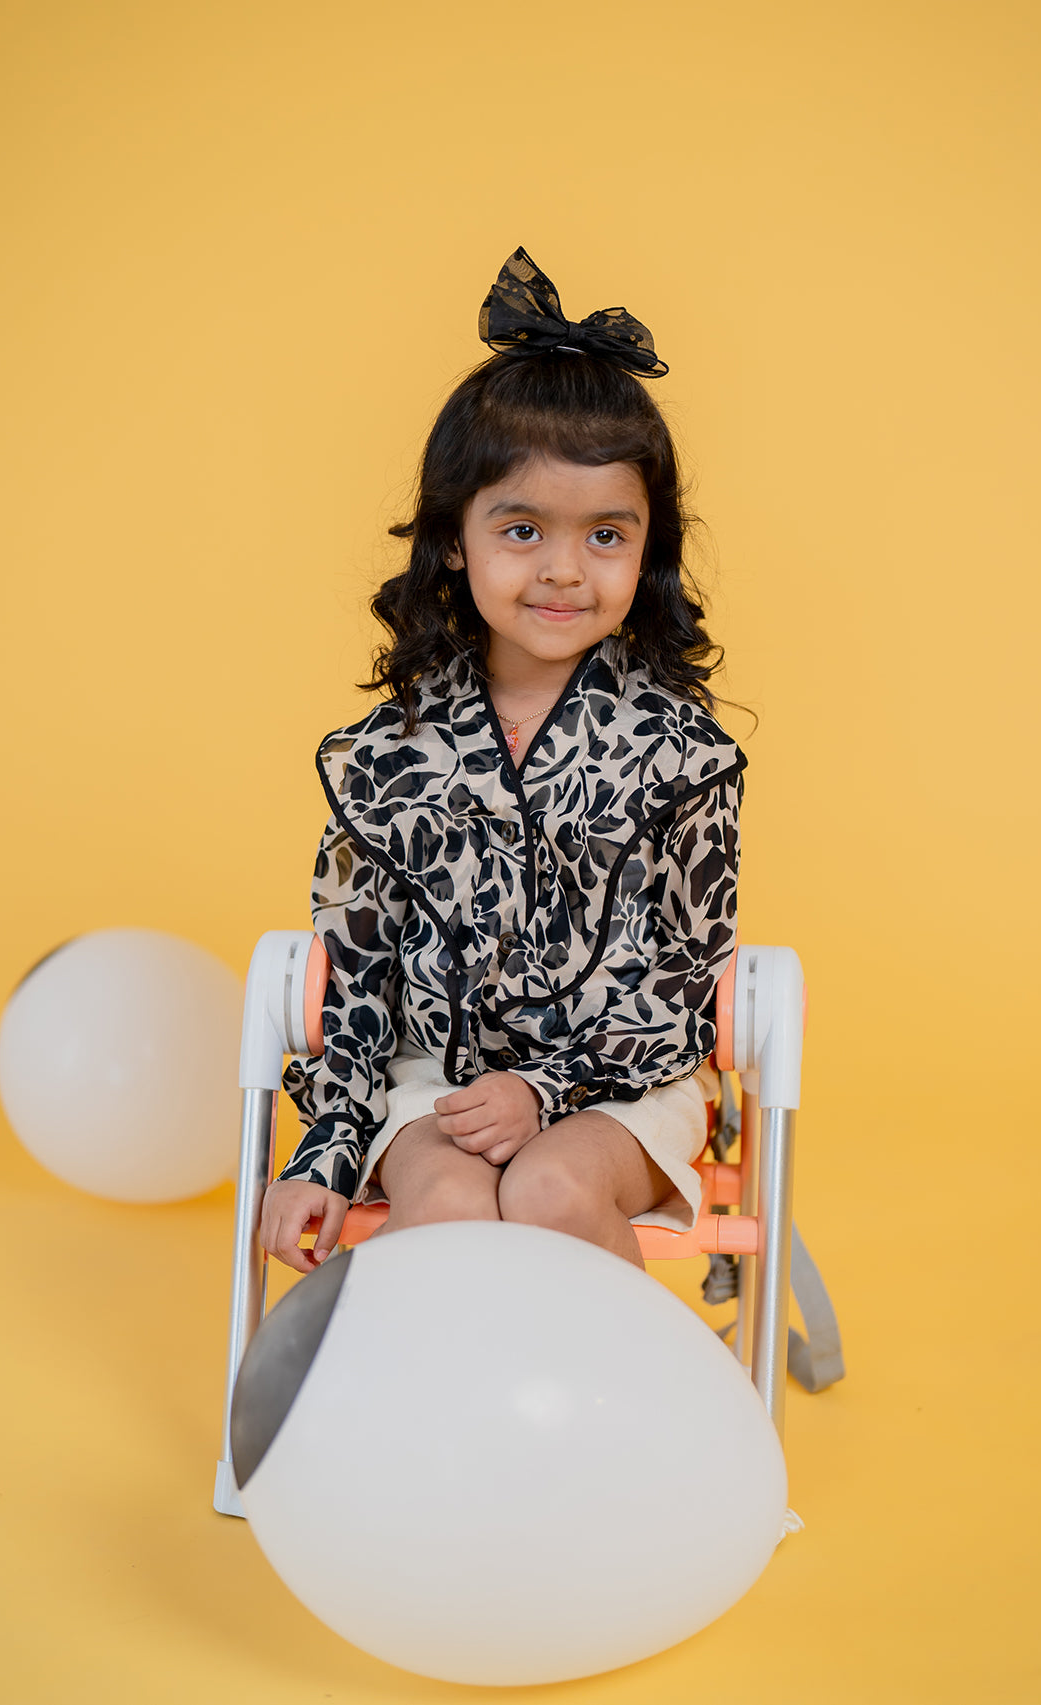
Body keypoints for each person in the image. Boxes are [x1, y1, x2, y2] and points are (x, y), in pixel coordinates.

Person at [260, 247, 746, 1275]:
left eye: (606, 534)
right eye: (522, 529)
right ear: (454, 542)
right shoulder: (383, 762)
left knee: (549, 1188)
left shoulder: (682, 757)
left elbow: (680, 984)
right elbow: (353, 975)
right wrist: (328, 1146)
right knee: (446, 1202)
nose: (564, 569)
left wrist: (547, 1090)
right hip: (430, 1079)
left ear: (648, 547)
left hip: (617, 1087)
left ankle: (611, 1422)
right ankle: (444, 1427)